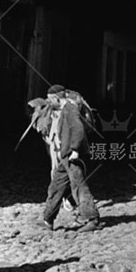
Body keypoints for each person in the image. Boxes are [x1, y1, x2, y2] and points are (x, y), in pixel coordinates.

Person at [39, 84, 100, 232]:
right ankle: (48, 219)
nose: (48, 103)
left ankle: (92, 219)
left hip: (72, 156)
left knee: (79, 187)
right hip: (65, 157)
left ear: (56, 98)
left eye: (50, 100)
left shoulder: (70, 110)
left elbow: (78, 130)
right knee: (56, 186)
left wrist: (75, 150)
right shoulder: (64, 110)